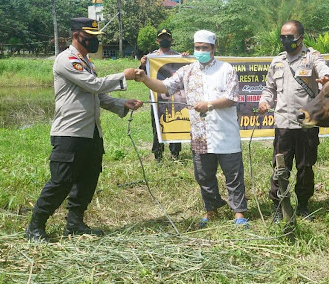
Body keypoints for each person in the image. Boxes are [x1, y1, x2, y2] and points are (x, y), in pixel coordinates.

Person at [25, 18, 142, 242]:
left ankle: (75, 223)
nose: (95, 41)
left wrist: (122, 103)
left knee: (88, 179)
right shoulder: (67, 60)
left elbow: (98, 95)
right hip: (70, 132)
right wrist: (123, 76)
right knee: (61, 181)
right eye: (92, 37)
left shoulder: (87, 63)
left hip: (91, 132)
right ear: (78, 35)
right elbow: (94, 85)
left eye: (97, 37)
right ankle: (35, 226)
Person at [134, 30, 248, 226]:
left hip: (225, 132)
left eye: (205, 48)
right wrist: (144, 78)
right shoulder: (187, 71)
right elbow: (164, 87)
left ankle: (239, 213)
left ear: (214, 48)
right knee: (204, 175)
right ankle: (211, 210)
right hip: (200, 134)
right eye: (197, 48)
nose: (201, 51)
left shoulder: (226, 69)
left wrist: (209, 105)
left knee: (233, 175)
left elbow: (231, 97)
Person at [258, 20, 329, 221]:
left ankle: (303, 205)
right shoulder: (277, 61)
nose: (285, 40)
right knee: (280, 166)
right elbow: (269, 88)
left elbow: (323, 69)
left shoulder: (311, 57)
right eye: (282, 37)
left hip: (306, 123)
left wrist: (326, 78)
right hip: (283, 123)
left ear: (300, 37)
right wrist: (264, 101)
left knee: (305, 166)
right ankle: (278, 205)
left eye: (290, 37)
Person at [139, 28, 182, 162]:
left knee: (175, 122)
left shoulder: (178, 56)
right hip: (156, 96)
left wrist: (186, 58)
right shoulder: (150, 57)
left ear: (171, 40)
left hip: (174, 95)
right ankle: (158, 154)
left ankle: (175, 153)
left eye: (167, 38)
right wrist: (142, 64)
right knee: (157, 124)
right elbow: (141, 75)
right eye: (162, 38)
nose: (165, 40)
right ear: (157, 40)